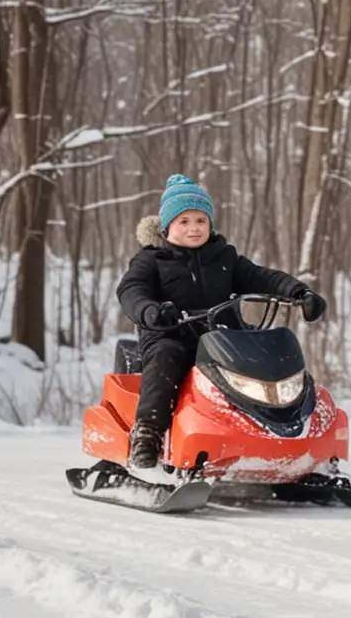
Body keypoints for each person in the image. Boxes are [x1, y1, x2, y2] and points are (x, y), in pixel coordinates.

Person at [117, 175, 326, 472]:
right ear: (167, 228)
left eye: (201, 220)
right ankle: (148, 432)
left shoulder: (224, 256)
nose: (194, 228)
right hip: (171, 333)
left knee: (268, 356)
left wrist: (299, 292)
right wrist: (151, 311)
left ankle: (283, 435)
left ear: (210, 224)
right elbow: (131, 291)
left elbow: (260, 276)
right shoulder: (151, 260)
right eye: (184, 221)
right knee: (164, 360)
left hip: (221, 338)